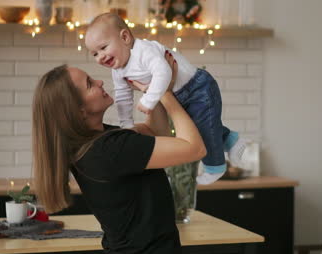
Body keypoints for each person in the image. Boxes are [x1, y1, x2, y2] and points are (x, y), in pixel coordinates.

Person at [32, 52, 206, 254]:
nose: (99, 81)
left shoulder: (98, 142)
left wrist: (157, 88)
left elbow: (156, 133)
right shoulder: (109, 149)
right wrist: (165, 92)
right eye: (89, 84)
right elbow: (194, 148)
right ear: (79, 111)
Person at [84, 12, 246, 185]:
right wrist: (127, 125)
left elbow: (164, 71)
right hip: (179, 94)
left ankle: (215, 167)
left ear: (124, 37)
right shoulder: (118, 71)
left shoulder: (143, 51)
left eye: (103, 48)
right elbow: (123, 98)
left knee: (204, 127)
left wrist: (149, 99)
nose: (100, 56)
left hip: (197, 87)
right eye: (94, 54)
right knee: (202, 126)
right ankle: (230, 140)